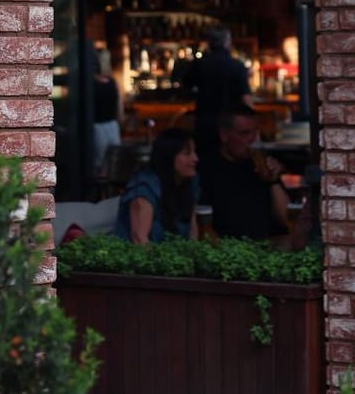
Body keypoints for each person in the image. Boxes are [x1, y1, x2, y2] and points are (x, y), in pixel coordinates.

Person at [199, 106, 306, 246]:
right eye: (245, 133)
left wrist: (273, 181)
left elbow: (284, 219)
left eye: (256, 133)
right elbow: (203, 225)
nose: (253, 140)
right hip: (229, 249)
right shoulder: (207, 169)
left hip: (267, 247)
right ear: (224, 135)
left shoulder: (260, 164)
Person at [114, 126, 199, 243]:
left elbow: (192, 233)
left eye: (194, 152)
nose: (195, 158)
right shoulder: (145, 187)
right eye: (187, 153)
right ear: (169, 156)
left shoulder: (189, 182)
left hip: (177, 253)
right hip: (141, 254)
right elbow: (139, 239)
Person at [185, 26, 250, 159]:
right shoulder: (236, 66)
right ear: (227, 42)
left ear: (209, 42)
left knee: (204, 162)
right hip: (230, 124)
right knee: (229, 163)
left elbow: (185, 86)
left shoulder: (199, 64)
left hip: (204, 123)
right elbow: (245, 99)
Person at [90, 45, 123, 178]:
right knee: (113, 166)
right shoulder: (113, 82)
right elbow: (120, 112)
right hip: (113, 127)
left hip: (97, 128)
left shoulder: (89, 84)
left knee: (98, 168)